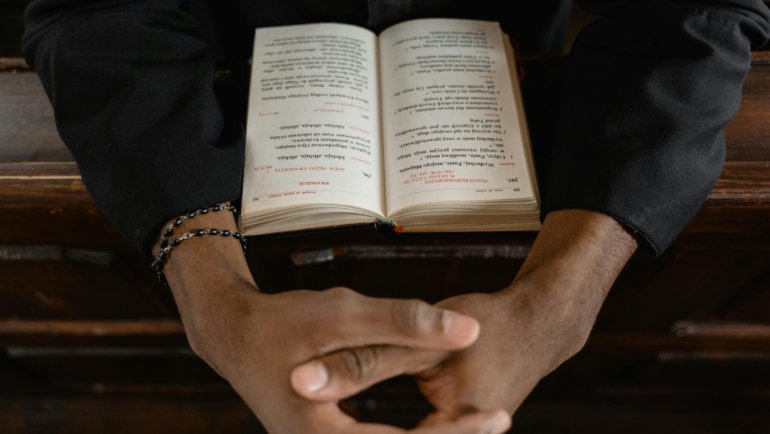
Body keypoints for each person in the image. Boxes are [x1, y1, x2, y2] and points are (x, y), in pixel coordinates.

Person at [22, 1, 770, 433]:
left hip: (508, 96)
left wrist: (563, 295)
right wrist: (209, 292)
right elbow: (94, 12)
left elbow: (697, 11)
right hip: (215, 101)